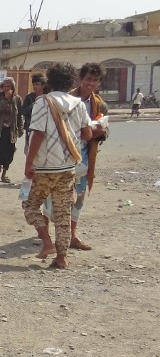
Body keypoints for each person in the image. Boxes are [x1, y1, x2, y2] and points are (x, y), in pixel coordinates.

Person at [22, 62, 93, 269]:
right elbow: (87, 134)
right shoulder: (79, 104)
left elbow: (38, 134)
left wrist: (28, 163)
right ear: (72, 82)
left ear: (50, 81)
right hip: (68, 167)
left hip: (45, 167)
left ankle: (46, 243)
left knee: (30, 206)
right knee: (63, 214)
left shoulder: (43, 102)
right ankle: (61, 258)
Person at [67, 62, 110, 250]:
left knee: (79, 197)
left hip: (85, 158)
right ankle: (57, 232)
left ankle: (71, 236)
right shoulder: (66, 100)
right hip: (62, 157)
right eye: (88, 79)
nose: (91, 83)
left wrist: (101, 132)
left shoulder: (100, 105)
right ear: (80, 79)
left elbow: (105, 130)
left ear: (99, 82)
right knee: (56, 199)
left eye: (95, 80)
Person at [0, 77, 24, 183]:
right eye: (4, 86)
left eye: (9, 86)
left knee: (9, 153)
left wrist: (21, 128)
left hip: (10, 131)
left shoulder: (17, 99)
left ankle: (4, 174)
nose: (6, 88)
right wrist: (5, 100)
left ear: (12, 87)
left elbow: (19, 115)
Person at [21, 73, 47, 154]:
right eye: (34, 84)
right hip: (30, 128)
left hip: (45, 129)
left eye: (37, 84)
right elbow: (23, 111)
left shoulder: (48, 97)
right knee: (29, 152)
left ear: (43, 85)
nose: (35, 86)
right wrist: (34, 104)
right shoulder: (29, 97)